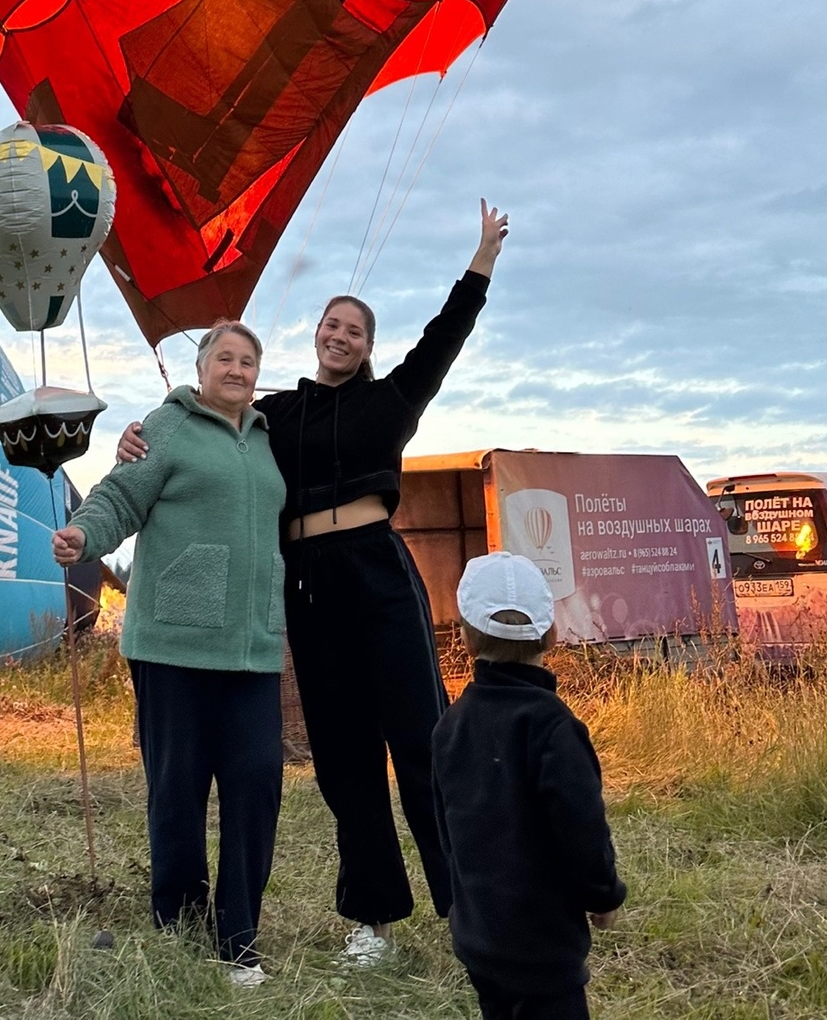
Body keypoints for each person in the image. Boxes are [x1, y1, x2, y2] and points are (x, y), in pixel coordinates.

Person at [116, 196, 509, 965]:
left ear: (366, 348)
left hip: (379, 578)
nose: (339, 336)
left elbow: (446, 337)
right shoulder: (280, 413)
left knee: (421, 745)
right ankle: (374, 923)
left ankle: (471, 916)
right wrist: (142, 427)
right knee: (344, 761)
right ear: (317, 336)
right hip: (311, 593)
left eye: (354, 331)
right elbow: (208, 403)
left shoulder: (391, 402)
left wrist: (481, 262)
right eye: (331, 325)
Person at [52, 320, 285, 988]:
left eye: (248, 361)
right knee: (178, 789)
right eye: (225, 359)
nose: (237, 371)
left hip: (252, 648)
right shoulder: (168, 425)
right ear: (202, 367)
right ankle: (178, 922)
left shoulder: (271, 441)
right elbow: (121, 496)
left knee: (256, 787)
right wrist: (83, 533)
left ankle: (239, 936)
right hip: (173, 644)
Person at [433, 553, 625, 1020]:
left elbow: (447, 830)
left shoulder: (450, 725)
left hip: (479, 940)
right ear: (552, 636)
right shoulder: (555, 727)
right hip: (546, 949)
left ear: (463, 636)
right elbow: (582, 825)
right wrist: (602, 895)